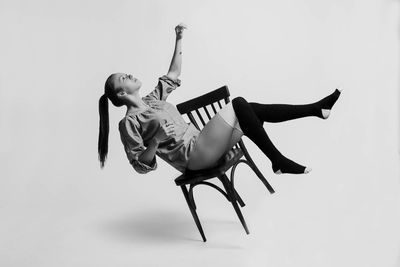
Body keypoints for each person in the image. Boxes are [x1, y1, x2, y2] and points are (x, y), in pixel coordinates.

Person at [98, 23, 342, 175]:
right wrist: (154, 144)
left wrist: (179, 38)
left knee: (252, 110)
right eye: (123, 78)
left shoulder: (153, 100)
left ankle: (315, 110)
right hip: (193, 156)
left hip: (204, 143)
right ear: (121, 93)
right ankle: (279, 159)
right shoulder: (128, 123)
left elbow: (172, 74)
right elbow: (140, 164)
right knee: (239, 104)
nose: (129, 74)